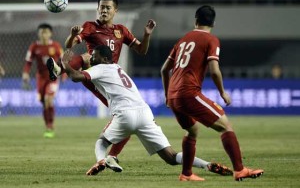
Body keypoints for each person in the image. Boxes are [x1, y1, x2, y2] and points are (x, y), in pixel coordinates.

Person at [61, 45, 233, 177]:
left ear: (105, 58)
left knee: (102, 142)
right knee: (170, 157)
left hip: (125, 113)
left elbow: (76, 77)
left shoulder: (100, 68)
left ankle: (101, 160)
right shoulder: (118, 69)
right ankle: (207, 165)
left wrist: (64, 63)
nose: (91, 57)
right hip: (144, 113)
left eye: (94, 55)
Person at [46, 0, 155, 167]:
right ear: (97, 9)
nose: (104, 10)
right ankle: (59, 69)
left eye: (108, 7)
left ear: (115, 11)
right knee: (88, 56)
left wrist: (147, 35)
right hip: (93, 74)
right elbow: (70, 45)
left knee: (126, 119)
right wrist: (73, 35)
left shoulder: (122, 30)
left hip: (111, 82)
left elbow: (141, 50)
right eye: (101, 7)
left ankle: (112, 156)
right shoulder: (90, 26)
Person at [161, 5, 264, 181]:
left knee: (192, 130)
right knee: (225, 126)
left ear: (195, 20)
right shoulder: (211, 40)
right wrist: (223, 92)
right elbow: (214, 70)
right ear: (214, 23)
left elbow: (164, 70)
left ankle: (186, 174)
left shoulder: (183, 40)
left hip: (174, 95)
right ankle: (239, 170)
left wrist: (167, 96)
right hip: (189, 93)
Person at [22, 23, 66, 138]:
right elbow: (28, 62)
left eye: (46, 32)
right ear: (38, 33)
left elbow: (63, 62)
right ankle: (47, 125)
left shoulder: (56, 46)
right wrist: (26, 73)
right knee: (43, 102)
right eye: (42, 32)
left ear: (50, 33)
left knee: (48, 99)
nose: (44, 34)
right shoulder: (34, 47)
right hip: (40, 78)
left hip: (53, 77)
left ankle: (50, 126)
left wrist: (64, 74)